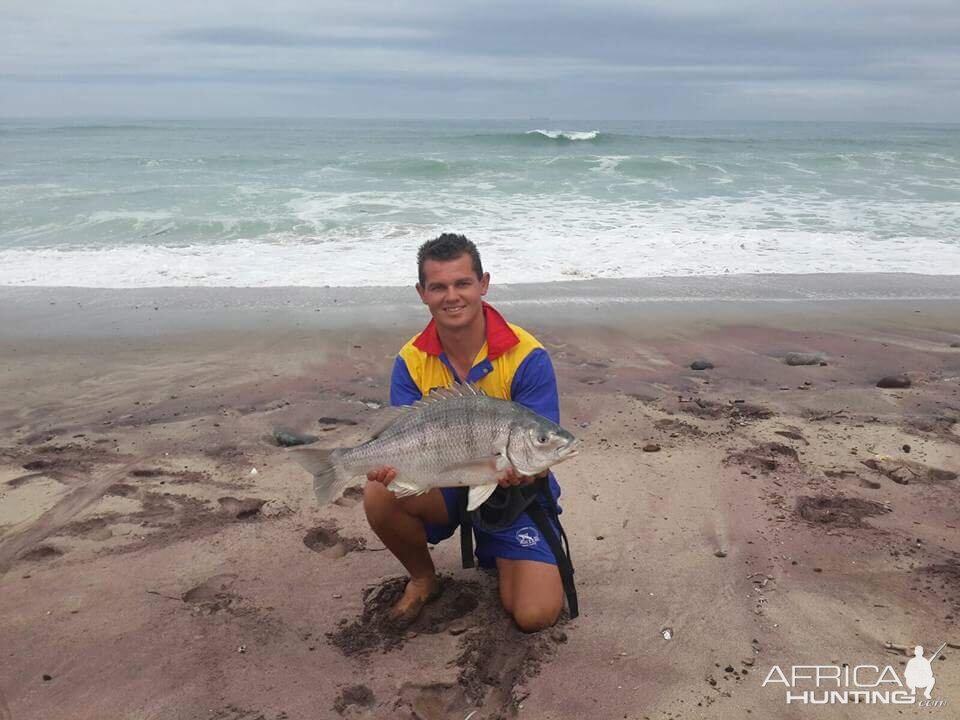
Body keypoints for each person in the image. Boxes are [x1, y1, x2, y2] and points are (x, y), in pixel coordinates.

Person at [363, 233, 574, 632]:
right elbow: (398, 435)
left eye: (462, 283)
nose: (451, 296)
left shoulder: (527, 356)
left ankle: (504, 549)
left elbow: (542, 451)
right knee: (378, 494)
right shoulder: (410, 360)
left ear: (483, 284)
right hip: (440, 486)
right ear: (422, 293)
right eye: (438, 286)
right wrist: (386, 467)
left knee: (535, 614)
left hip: (513, 496)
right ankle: (425, 579)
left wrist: (524, 471)